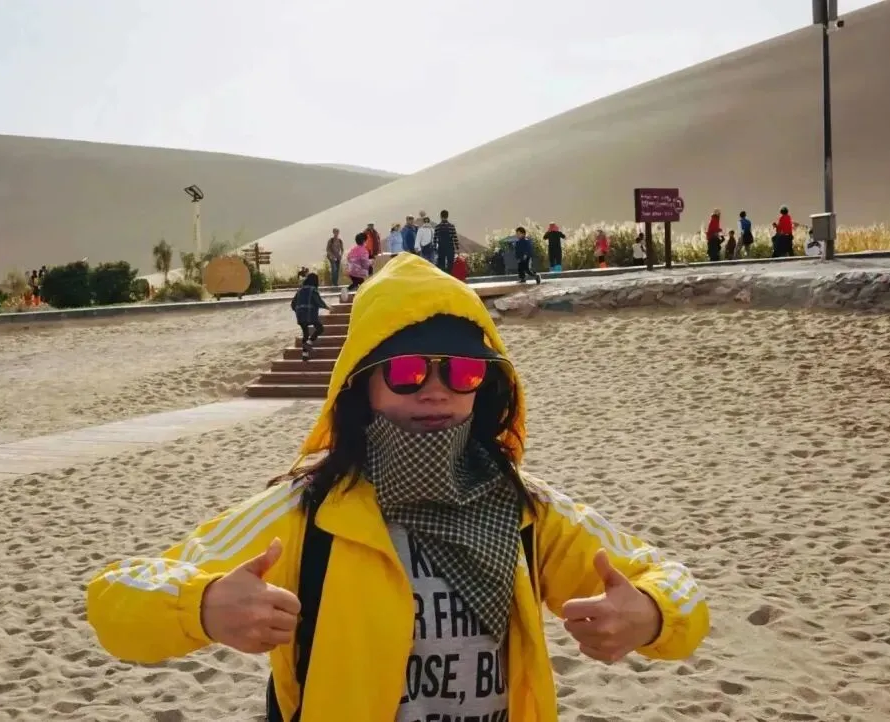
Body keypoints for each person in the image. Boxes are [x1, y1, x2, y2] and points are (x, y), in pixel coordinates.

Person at [85, 254, 710, 721]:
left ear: (487, 384)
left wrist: (651, 612)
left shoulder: (527, 508)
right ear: (363, 384)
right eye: (408, 371)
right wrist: (200, 605)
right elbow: (116, 597)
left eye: (462, 371)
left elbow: (673, 580)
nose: (436, 390)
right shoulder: (307, 510)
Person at [290, 272, 330, 361]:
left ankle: (305, 355)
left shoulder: (299, 290)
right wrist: (327, 307)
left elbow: (292, 304)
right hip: (310, 315)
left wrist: (298, 311)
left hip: (300, 316)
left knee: (305, 334)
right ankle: (309, 343)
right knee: (320, 329)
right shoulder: (313, 290)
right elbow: (318, 301)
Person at [434, 209, 459, 274]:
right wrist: (457, 248)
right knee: (450, 263)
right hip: (450, 247)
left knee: (441, 264)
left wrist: (435, 248)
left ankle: (442, 277)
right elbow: (455, 238)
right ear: (447, 216)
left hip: (441, 247)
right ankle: (450, 276)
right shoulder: (451, 226)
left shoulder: (437, 227)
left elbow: (435, 239)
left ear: (440, 216)